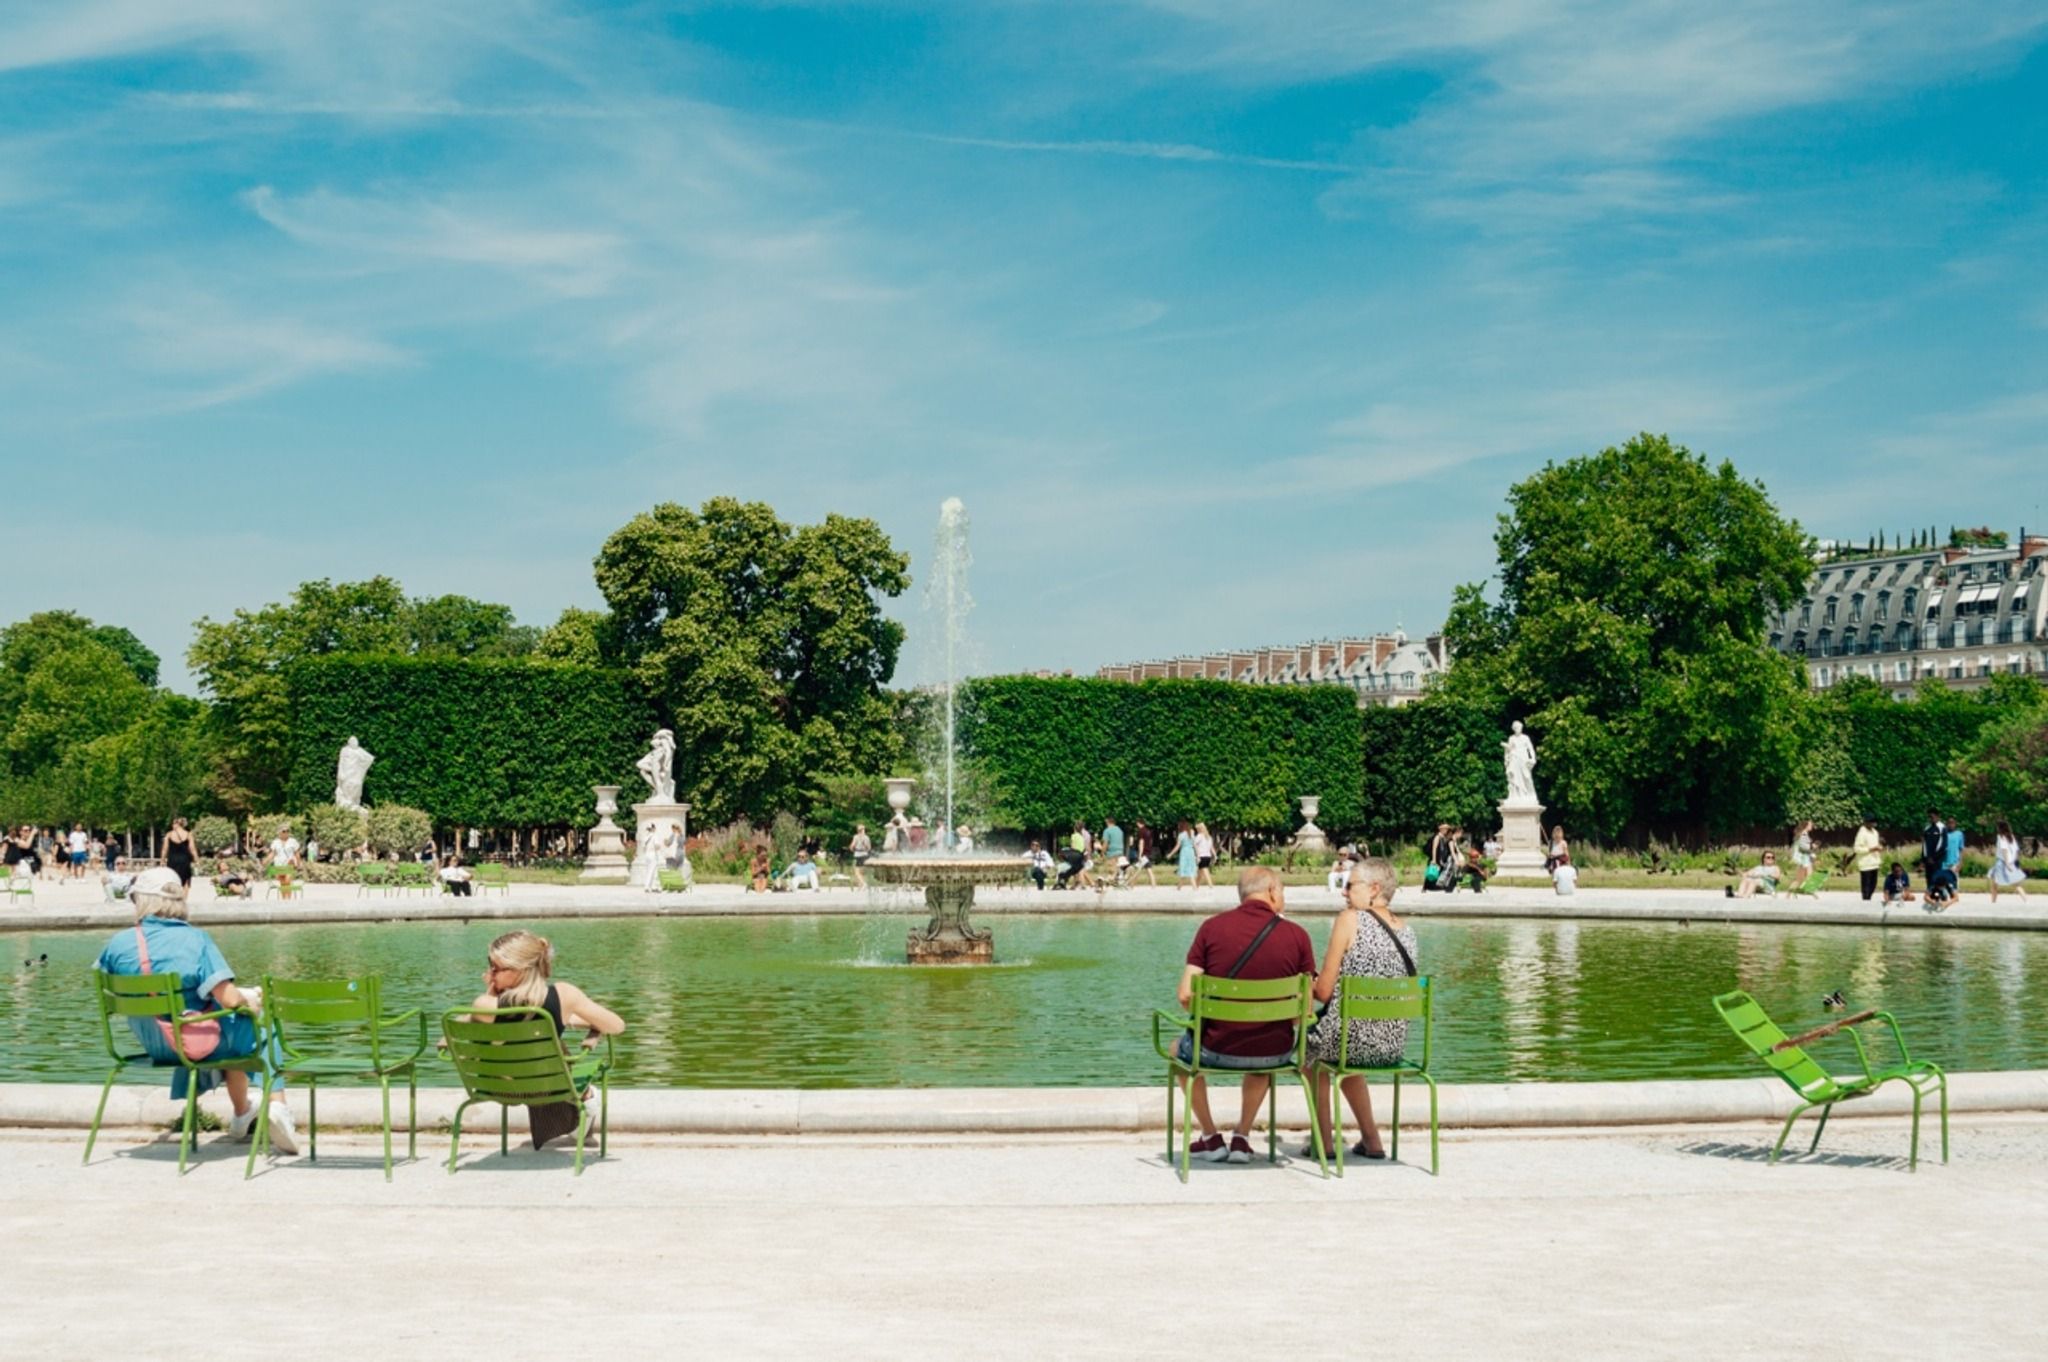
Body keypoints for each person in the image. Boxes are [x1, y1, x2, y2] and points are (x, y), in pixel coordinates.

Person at [94, 867, 300, 1154]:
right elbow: (228, 998)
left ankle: (242, 1115)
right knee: (258, 1027)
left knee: (227, 1027)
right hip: (191, 1043)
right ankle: (277, 1107)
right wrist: (250, 1000)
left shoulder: (119, 943)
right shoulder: (195, 940)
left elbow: (108, 990)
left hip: (153, 1043)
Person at [1172, 866, 1316, 1164]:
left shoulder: (1211, 928)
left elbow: (1185, 995)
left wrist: (1214, 1016)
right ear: (1272, 891)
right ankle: (1242, 1137)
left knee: (1178, 1051)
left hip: (1215, 1049)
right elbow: (1304, 1012)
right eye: (1283, 892)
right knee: (1261, 1050)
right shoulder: (1298, 935)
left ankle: (1211, 1137)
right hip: (1273, 1052)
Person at [464, 930, 624, 1149]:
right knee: (557, 1048)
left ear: (521, 969)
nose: (490, 973)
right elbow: (617, 1026)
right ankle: (586, 1099)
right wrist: (570, 1017)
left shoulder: (483, 1006)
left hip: (499, 1089)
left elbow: (478, 1021)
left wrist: (490, 993)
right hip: (550, 1088)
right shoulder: (564, 995)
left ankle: (582, 1108)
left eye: (496, 968)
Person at [1303, 856, 1414, 1159]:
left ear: (1374, 888)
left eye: (1349, 885)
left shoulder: (1349, 919)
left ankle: (1323, 1142)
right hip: (1391, 1045)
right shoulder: (1406, 930)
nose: (1344, 892)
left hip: (1350, 1041)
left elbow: (1324, 993)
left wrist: (1306, 981)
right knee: (1347, 1042)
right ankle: (1372, 1140)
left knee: (1308, 1054)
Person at [1989, 820, 2028, 903]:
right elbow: (2017, 850)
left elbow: (2004, 850)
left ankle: (1993, 902)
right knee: (2013, 883)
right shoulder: (2011, 837)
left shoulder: (2001, 837)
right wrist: (2015, 860)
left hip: (2003, 862)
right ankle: (2025, 900)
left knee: (1996, 883)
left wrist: (2007, 864)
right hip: (2011, 862)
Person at [1851, 816, 1884, 901]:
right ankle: (1865, 901)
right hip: (1865, 863)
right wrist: (1871, 849)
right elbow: (1857, 849)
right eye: (1871, 822)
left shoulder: (1875, 832)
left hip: (1874, 862)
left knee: (1873, 884)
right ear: (1866, 823)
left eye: (1874, 822)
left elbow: (1875, 844)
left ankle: (1868, 899)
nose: (1873, 824)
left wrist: (1878, 848)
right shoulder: (1861, 833)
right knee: (1866, 886)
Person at [160, 817, 197, 889]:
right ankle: (183, 897)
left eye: (173, 823)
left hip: (172, 860)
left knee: (173, 878)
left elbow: (165, 849)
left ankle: (174, 895)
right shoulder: (188, 834)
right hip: (184, 860)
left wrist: (162, 860)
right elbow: (192, 849)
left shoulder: (169, 834)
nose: (172, 825)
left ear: (177, 824)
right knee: (185, 880)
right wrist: (196, 859)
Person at [1920, 808, 1945, 896]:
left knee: (1937, 879)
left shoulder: (1942, 828)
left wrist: (1934, 858)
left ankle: (1939, 896)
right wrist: (1923, 859)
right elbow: (1924, 845)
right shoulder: (1927, 828)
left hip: (1937, 861)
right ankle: (1930, 897)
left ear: (1938, 816)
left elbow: (1943, 845)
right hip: (1928, 860)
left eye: (1933, 816)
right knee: (1929, 879)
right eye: (1929, 817)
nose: (1931, 818)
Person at [1787, 820, 1816, 893]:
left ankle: (1805, 888)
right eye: (1810, 825)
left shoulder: (1803, 834)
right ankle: (1804, 888)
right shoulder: (1803, 834)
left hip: (1804, 857)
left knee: (1806, 874)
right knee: (1804, 875)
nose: (1812, 826)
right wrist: (1812, 846)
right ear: (1806, 826)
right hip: (1803, 857)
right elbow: (1803, 846)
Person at [1130, 820, 1157, 887]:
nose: (1136, 825)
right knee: (1148, 869)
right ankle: (1153, 885)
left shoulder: (1141, 831)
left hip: (1144, 853)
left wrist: (1140, 854)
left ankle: (1132, 885)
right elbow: (1150, 841)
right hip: (1148, 852)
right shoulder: (1148, 831)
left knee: (1138, 869)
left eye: (1137, 823)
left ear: (1139, 823)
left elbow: (1141, 843)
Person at [1172, 819, 1197, 889]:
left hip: (1184, 853)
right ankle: (1180, 887)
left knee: (1183, 869)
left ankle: (1180, 887)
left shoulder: (1181, 835)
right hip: (1191, 852)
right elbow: (1195, 845)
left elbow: (1177, 846)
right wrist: (1198, 855)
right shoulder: (1192, 833)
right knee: (1190, 870)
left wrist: (1171, 854)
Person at [1103, 818, 1126, 885]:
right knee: (1117, 866)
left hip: (1111, 851)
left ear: (1108, 822)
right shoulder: (1120, 830)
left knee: (1111, 867)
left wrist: (1102, 851)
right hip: (1120, 850)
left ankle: (1110, 880)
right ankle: (1116, 881)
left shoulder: (1107, 830)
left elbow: (1105, 843)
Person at [1193, 822, 1217, 889]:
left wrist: (1197, 855)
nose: (1196, 830)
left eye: (1197, 829)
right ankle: (1196, 887)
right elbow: (1211, 847)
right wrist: (1215, 855)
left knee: (1205, 871)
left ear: (1200, 829)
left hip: (1202, 856)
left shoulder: (1199, 836)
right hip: (1208, 856)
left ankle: (1211, 886)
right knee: (1200, 873)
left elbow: (1194, 844)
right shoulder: (1209, 837)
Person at [848, 824, 872, 889]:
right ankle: (860, 885)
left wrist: (852, 849)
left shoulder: (856, 837)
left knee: (857, 872)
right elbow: (869, 848)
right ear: (863, 830)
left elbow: (852, 846)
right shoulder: (867, 837)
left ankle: (864, 884)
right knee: (861, 872)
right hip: (865, 854)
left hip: (858, 854)